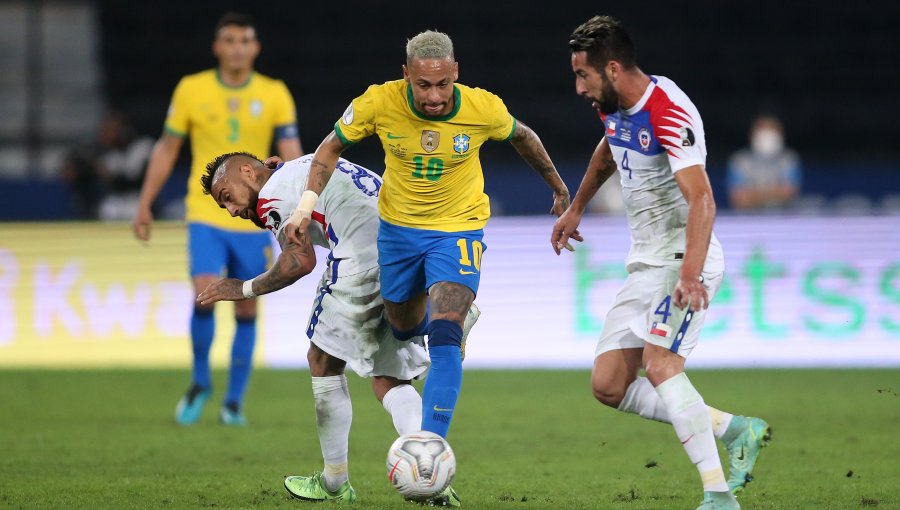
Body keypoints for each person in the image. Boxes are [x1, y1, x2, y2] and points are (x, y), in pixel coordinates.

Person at [283, 31, 570, 450]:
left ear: (455, 72)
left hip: (458, 228)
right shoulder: (379, 102)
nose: (434, 96)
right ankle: (434, 329)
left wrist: (559, 187)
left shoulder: (481, 107)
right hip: (398, 233)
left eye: (442, 84)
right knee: (402, 327)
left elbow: (523, 137)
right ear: (406, 77)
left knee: (445, 332)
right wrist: (305, 205)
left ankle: (431, 446)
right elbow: (329, 148)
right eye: (422, 85)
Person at [551, 16, 771, 510]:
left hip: (681, 258)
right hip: (646, 261)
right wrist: (577, 206)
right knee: (608, 385)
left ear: (611, 68)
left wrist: (690, 275)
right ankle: (734, 429)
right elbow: (609, 151)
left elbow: (704, 200)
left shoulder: (670, 112)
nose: (578, 87)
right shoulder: (613, 104)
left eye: (583, 75)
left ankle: (718, 496)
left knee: (660, 365)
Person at [196, 152, 476, 505]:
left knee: (322, 361)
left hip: (361, 261)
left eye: (227, 197)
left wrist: (243, 288)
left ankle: (334, 483)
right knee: (389, 379)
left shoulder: (272, 194)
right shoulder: (303, 167)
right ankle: (431, 477)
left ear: (249, 171)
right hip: (406, 247)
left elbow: (299, 261)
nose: (233, 211)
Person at [132, 12, 303, 426]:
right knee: (205, 293)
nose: (237, 48)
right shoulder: (192, 89)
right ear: (217, 47)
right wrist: (145, 202)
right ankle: (199, 381)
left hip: (253, 218)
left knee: (245, 307)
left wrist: (302, 203)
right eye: (229, 40)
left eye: (245, 40)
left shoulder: (274, 92)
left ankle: (234, 401)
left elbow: (293, 152)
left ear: (255, 47)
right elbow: (168, 148)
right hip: (204, 213)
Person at [61, 110, 154, 220]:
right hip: (115, 200)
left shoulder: (142, 146)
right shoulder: (102, 149)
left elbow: (132, 177)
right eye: (104, 130)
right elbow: (74, 167)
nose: (106, 134)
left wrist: (106, 172)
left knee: (133, 211)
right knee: (108, 210)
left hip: (138, 198)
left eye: (111, 130)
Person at [727, 114, 802, 210]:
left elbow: (789, 193)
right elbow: (739, 198)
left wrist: (753, 195)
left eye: (771, 131)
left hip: (782, 218)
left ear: (780, 135)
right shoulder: (739, 161)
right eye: (762, 131)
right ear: (752, 135)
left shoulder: (789, 159)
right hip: (747, 219)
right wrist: (775, 193)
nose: (767, 137)